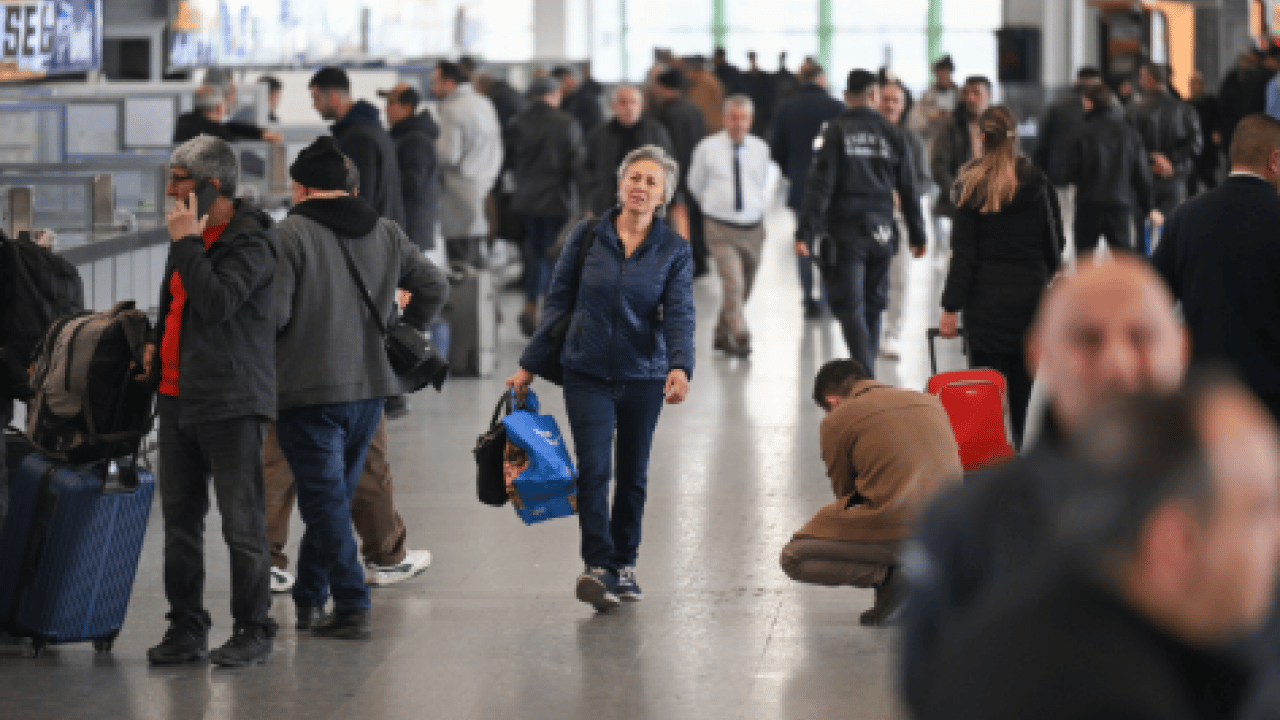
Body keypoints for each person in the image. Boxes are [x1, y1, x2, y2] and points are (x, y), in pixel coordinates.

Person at [899, 256, 1191, 715]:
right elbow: (928, 689)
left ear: (1182, 348)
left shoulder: (1246, 508)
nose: (1117, 365)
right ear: (1040, 354)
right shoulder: (967, 523)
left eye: (1141, 337)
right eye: (1088, 340)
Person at [919, 375, 1280, 720]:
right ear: (1175, 543)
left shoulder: (1027, 620)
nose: (1276, 542)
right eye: (1260, 512)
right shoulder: (1114, 703)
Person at [272, 137, 448, 639]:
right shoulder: (385, 231)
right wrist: (408, 329)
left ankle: (351, 603)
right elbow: (434, 284)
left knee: (324, 500)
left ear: (302, 188)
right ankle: (309, 595)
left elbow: (277, 315)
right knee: (331, 496)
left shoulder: (289, 236)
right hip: (371, 388)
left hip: (308, 389)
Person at [506, 145, 695, 613]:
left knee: (632, 474)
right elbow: (558, 301)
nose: (640, 187)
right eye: (634, 177)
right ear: (620, 184)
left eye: (651, 182)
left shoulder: (674, 250)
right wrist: (529, 363)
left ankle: (625, 562)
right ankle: (598, 565)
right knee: (593, 470)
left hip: (644, 376)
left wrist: (680, 365)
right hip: (586, 369)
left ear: (662, 196)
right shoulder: (587, 235)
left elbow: (680, 314)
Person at [144, 136, 279, 668]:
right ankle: (187, 626)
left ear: (211, 186)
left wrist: (186, 245)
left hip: (230, 400)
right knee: (180, 522)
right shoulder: (191, 235)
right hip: (177, 398)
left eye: (179, 182)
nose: (170, 192)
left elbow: (217, 302)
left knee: (241, 524)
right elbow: (175, 301)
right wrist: (155, 347)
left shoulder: (251, 243)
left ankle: (253, 627)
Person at [780, 359, 962, 625]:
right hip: (950, 524)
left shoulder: (838, 419)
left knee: (793, 557)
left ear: (833, 401)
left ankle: (891, 574)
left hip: (903, 527)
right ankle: (908, 571)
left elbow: (845, 492)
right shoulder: (929, 401)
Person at [938, 106, 1063, 446]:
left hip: (985, 307)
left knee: (988, 392)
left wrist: (950, 307)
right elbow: (1055, 246)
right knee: (1022, 395)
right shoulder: (1038, 183)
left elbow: (963, 256)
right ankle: (1018, 452)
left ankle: (990, 464)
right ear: (1014, 136)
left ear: (981, 138)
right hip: (1030, 305)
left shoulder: (968, 185)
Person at [794, 69, 928, 375]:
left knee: (848, 303)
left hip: (847, 231)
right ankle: (868, 370)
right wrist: (918, 233)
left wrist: (806, 231)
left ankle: (866, 372)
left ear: (846, 96)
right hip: (883, 231)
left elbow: (820, 185)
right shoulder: (894, 133)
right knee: (874, 302)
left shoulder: (836, 131)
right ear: (874, 96)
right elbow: (908, 186)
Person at [1153, 114, 1280, 423]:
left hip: (1204, 389)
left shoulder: (1185, 217)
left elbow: (1153, 299)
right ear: (1274, 160)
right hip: (1272, 391)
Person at [687, 94, 775, 358]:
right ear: (725, 118)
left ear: (751, 120)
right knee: (732, 283)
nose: (738, 123)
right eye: (733, 117)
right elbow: (695, 183)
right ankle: (740, 334)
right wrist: (714, 206)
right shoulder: (707, 148)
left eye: (744, 118)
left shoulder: (761, 148)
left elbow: (763, 183)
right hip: (719, 227)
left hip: (753, 228)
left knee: (745, 285)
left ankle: (720, 333)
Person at [507, 75, 587, 336]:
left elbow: (508, 162)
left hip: (526, 201)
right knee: (555, 256)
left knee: (534, 252)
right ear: (555, 95)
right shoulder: (567, 123)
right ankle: (551, 313)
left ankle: (531, 305)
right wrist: (586, 202)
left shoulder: (516, 122)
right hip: (559, 201)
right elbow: (577, 166)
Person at [769, 62, 844, 319]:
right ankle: (824, 298)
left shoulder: (786, 108)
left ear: (801, 80)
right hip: (831, 188)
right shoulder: (837, 107)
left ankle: (806, 298)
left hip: (800, 185)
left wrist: (791, 170)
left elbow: (776, 149)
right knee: (827, 242)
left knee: (803, 240)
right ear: (822, 78)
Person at [879, 75, 934, 359]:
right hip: (866, 219)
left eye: (895, 100)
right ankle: (870, 331)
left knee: (899, 278)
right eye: (886, 99)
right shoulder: (865, 135)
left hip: (899, 220)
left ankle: (891, 334)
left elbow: (926, 180)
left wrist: (905, 194)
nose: (890, 105)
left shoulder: (912, 141)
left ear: (903, 106)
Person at [308, 67, 405, 228]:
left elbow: (359, 200)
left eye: (316, 98)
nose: (314, 105)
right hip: (381, 237)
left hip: (368, 242)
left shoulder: (358, 137)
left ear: (333, 98)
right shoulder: (371, 128)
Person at [1065, 82, 1155, 256]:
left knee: (1086, 263)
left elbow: (1070, 173)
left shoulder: (1079, 132)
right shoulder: (1129, 133)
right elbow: (1142, 174)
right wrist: (1148, 205)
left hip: (1088, 204)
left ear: (1090, 103)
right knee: (1122, 261)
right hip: (1120, 204)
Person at [431, 60, 504, 267]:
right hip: (484, 188)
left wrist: (428, 152)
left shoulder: (452, 108)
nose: (432, 87)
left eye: (435, 81)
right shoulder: (483, 102)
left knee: (460, 266)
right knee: (477, 262)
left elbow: (447, 155)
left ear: (449, 83)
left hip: (459, 194)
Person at [651, 68, 710, 277]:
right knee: (696, 217)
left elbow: (666, 147)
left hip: (676, 172)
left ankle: (684, 263)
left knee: (679, 220)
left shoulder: (665, 112)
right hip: (697, 169)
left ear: (663, 87)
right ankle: (702, 260)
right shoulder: (694, 108)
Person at [582, 85, 676, 216]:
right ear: (613, 106)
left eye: (633, 102)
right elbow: (586, 171)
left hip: (646, 206)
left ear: (641, 106)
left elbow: (669, 168)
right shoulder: (597, 135)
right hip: (607, 205)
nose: (629, 107)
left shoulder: (657, 132)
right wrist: (590, 203)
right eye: (623, 102)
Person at [1033, 67, 1103, 239]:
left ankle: (1063, 261)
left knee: (1061, 222)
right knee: (1087, 228)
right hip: (1093, 180)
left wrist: (1039, 175)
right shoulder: (1106, 108)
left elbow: (1041, 145)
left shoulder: (1056, 106)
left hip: (1059, 177)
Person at [1126, 62, 1202, 220]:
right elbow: (1196, 145)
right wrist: (1171, 161)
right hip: (1174, 177)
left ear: (1149, 79)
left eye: (1141, 77)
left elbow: (1127, 145)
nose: (1140, 81)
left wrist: (1151, 158)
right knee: (1171, 232)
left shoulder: (1133, 110)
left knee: (1143, 234)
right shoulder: (1186, 109)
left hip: (1143, 178)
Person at [379, 82, 440, 256]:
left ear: (407, 108)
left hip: (411, 225)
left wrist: (383, 184)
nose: (386, 108)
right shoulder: (401, 135)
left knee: (409, 280)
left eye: (391, 103)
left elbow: (413, 182)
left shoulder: (416, 139)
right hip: (404, 224)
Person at [931, 76, 993, 229]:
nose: (970, 98)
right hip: (956, 208)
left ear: (989, 96)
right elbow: (939, 167)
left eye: (976, 93)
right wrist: (959, 194)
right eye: (966, 93)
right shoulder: (951, 127)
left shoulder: (1001, 128)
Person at [172, 84, 282, 144]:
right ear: (219, 107)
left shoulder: (184, 120)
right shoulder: (220, 134)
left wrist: (260, 134)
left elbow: (229, 127)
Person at [1188, 71, 1222, 195]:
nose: (1194, 86)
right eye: (1192, 84)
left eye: (1196, 83)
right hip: (1193, 146)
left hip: (1208, 143)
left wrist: (1217, 132)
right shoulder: (1188, 104)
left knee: (1208, 177)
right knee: (1192, 180)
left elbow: (1218, 118)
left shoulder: (1210, 101)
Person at [911, 55, 960, 142]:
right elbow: (913, 124)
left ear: (951, 73)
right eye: (940, 73)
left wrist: (951, 116)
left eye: (946, 73)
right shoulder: (926, 96)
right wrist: (931, 117)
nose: (943, 76)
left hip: (956, 141)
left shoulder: (961, 95)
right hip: (932, 141)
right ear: (936, 74)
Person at [552, 65, 605, 135]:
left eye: (569, 78)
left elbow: (597, 125)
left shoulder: (587, 99)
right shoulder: (559, 103)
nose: (572, 81)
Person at [682, 56, 726, 134]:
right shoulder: (708, 78)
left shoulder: (703, 83)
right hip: (714, 125)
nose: (685, 75)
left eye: (686, 72)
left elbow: (698, 107)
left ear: (692, 70)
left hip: (709, 127)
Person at [743, 51, 777, 138]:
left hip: (763, 115)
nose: (752, 60)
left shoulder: (765, 77)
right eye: (751, 58)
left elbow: (770, 96)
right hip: (749, 112)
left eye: (753, 58)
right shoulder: (744, 77)